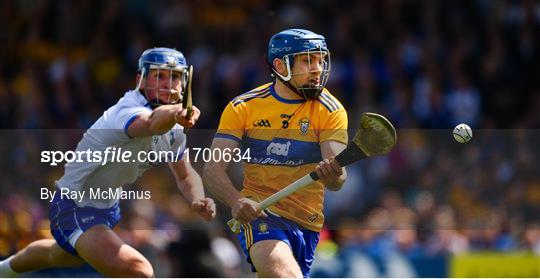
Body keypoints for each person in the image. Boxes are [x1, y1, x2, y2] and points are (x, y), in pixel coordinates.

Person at [0, 47, 216, 277]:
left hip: (107, 207)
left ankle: (3, 271)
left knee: (59, 256)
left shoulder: (175, 128)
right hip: (74, 204)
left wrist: (198, 199)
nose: (167, 83)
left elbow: (185, 174)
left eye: (174, 77)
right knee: (140, 271)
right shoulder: (129, 109)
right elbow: (152, 123)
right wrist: (175, 113)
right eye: (159, 75)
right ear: (140, 80)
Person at [203, 29, 348, 278]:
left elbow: (338, 180)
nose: (317, 68)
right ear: (281, 65)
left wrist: (331, 174)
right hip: (262, 214)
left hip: (307, 223)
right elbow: (212, 169)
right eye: (308, 60)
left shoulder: (330, 109)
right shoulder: (243, 108)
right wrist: (235, 200)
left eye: (321, 60)